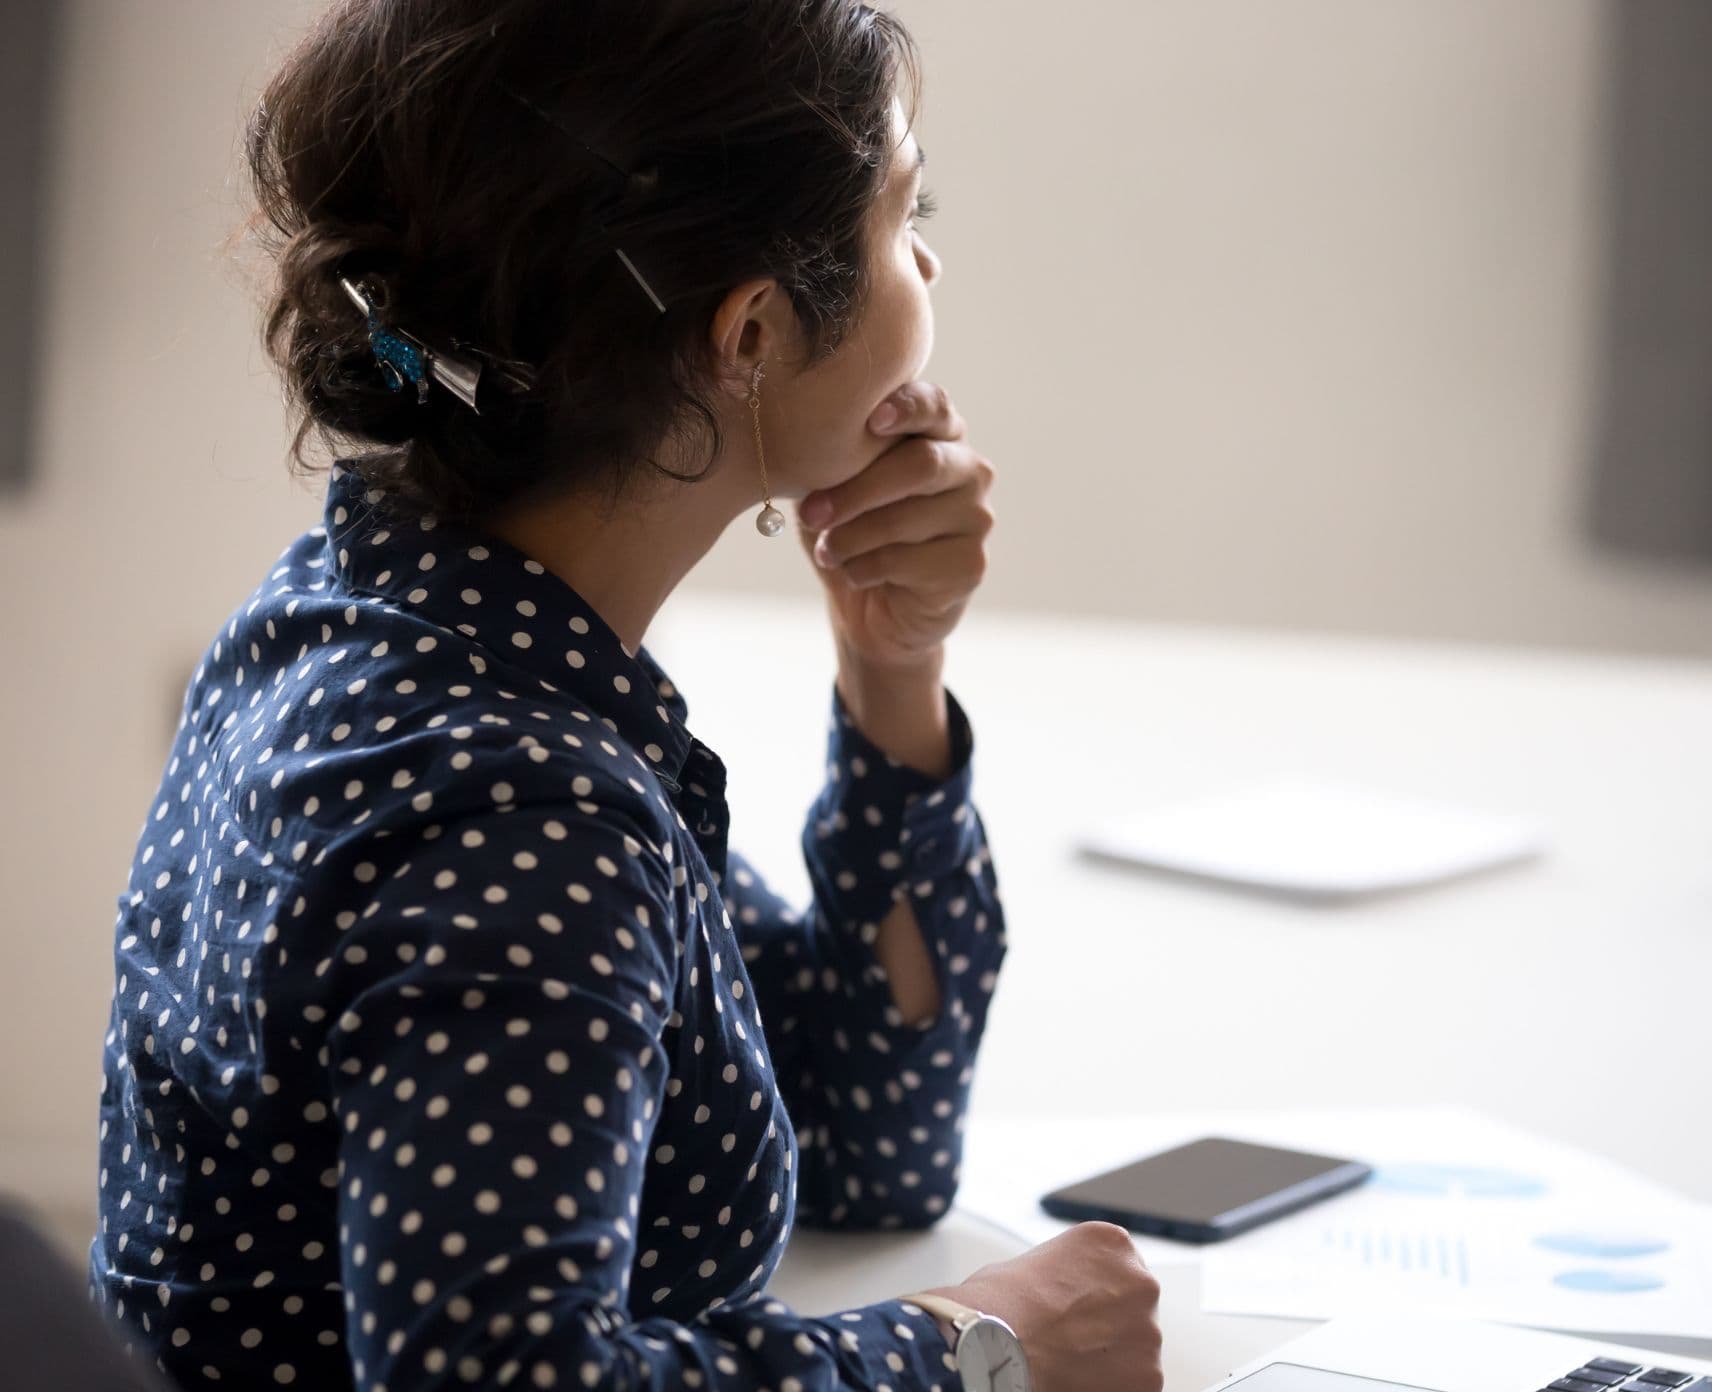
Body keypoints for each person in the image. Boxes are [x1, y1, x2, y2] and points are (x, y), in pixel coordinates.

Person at [89, 2, 1164, 1389]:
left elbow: (863, 1142)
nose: (931, 258)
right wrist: (974, 1353)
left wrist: (893, 668)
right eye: (906, 213)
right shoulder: (518, 816)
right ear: (754, 332)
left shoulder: (382, 622)